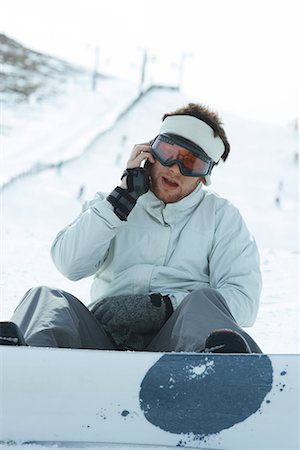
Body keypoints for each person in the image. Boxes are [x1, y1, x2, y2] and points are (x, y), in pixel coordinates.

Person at [1, 103, 262, 353]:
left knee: (203, 302)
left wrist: (165, 307)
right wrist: (119, 203)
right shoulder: (111, 204)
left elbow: (244, 300)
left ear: (204, 175)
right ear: (150, 152)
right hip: (102, 341)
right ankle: (25, 363)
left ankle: (219, 369)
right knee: (46, 299)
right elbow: (69, 264)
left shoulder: (220, 217)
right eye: (168, 153)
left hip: (178, 347)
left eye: (190, 162)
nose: (174, 168)